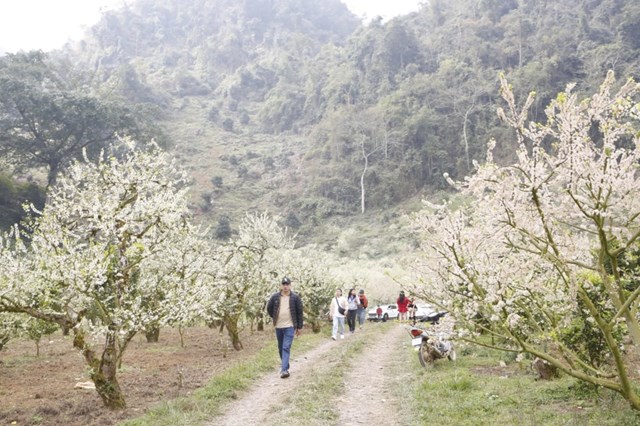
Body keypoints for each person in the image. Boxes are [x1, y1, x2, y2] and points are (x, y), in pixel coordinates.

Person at [266, 276, 303, 378]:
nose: (285, 286)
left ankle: (284, 370)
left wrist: (299, 327)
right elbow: (269, 308)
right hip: (278, 326)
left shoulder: (295, 297)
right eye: (284, 284)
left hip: (290, 326)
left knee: (286, 347)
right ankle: (285, 364)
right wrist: (275, 316)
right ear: (281, 286)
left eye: (287, 285)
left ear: (290, 286)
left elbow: (300, 312)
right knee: (280, 347)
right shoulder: (275, 297)